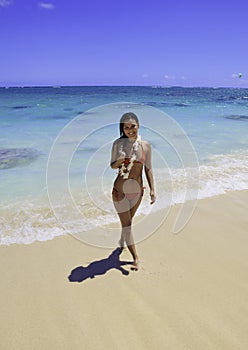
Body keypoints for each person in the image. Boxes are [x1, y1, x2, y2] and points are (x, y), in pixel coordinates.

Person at [110, 112, 156, 271]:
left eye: (133, 126)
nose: (130, 130)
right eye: (126, 127)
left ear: (138, 126)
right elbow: (112, 166)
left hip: (138, 192)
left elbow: (148, 168)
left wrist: (152, 190)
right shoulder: (118, 144)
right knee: (128, 225)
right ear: (122, 129)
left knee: (127, 224)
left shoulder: (146, 146)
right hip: (119, 192)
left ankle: (123, 239)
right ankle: (135, 258)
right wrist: (120, 160)